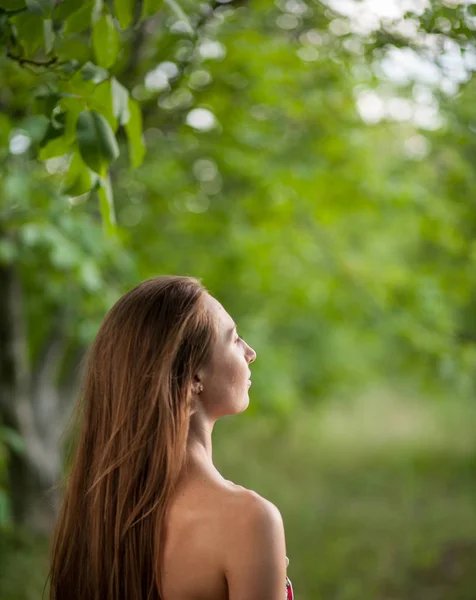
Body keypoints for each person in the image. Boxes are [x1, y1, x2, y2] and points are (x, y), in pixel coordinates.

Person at [48, 275, 294, 600]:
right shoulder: (249, 520)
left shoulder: (94, 513)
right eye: (234, 339)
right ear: (193, 375)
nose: (250, 353)